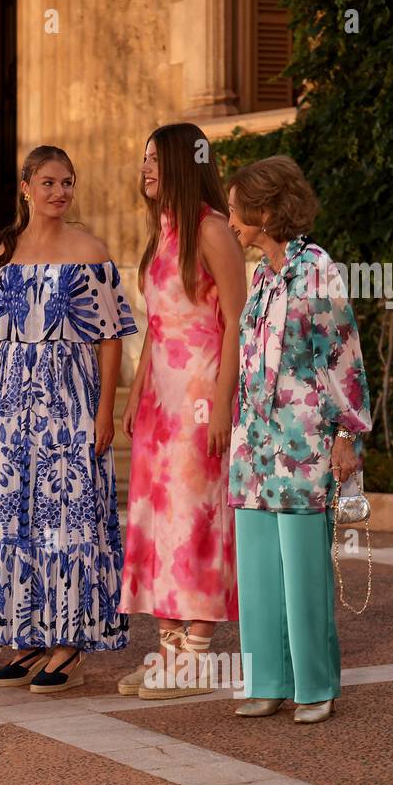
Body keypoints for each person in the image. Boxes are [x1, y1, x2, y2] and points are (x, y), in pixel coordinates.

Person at [0, 145, 138, 694]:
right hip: (11, 403)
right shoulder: (2, 252)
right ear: (26, 188)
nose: (60, 192)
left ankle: (70, 643)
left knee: (67, 516)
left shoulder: (90, 251)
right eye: (48, 182)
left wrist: (105, 410)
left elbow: (111, 337)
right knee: (16, 515)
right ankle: (30, 635)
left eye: (67, 182)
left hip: (71, 401)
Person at [224, 155, 372, 724]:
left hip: (305, 442)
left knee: (304, 571)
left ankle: (314, 686)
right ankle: (267, 682)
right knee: (258, 571)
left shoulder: (317, 269)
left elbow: (342, 355)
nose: (231, 222)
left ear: (264, 211)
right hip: (255, 446)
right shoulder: (262, 275)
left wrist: (347, 434)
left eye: (237, 210)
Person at [117, 123, 245, 700]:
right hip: (159, 402)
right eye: (144, 159)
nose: (145, 168)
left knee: (196, 518)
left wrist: (221, 404)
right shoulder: (163, 232)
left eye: (154, 159)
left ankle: (195, 657)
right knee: (157, 522)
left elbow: (237, 321)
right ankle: (167, 652)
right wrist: (137, 394)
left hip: (200, 394)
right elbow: (156, 326)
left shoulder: (212, 229)